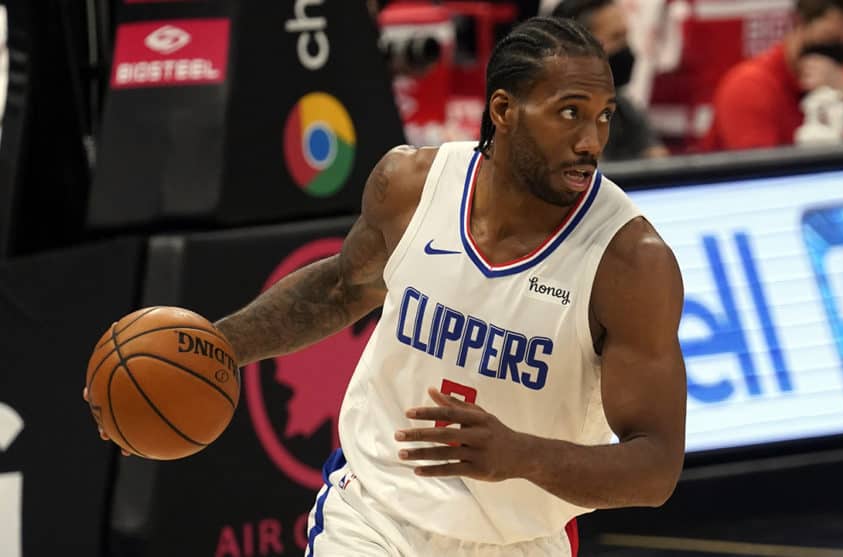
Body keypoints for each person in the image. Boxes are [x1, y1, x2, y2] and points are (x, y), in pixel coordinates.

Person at [85, 16, 686, 557]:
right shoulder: (411, 185)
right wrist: (212, 349)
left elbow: (655, 467)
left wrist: (520, 454)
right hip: (376, 514)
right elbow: (341, 289)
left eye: (604, 115)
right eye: (570, 113)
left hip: (519, 539)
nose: (591, 140)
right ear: (503, 110)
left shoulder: (630, 263)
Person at [701, 0, 843, 151]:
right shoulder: (749, 86)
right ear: (800, 23)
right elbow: (757, 174)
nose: (838, 53)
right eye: (831, 38)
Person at [552, 0, 669, 160]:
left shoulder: (622, 110)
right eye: (616, 38)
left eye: (625, 37)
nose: (626, 48)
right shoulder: (545, 119)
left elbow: (659, 164)